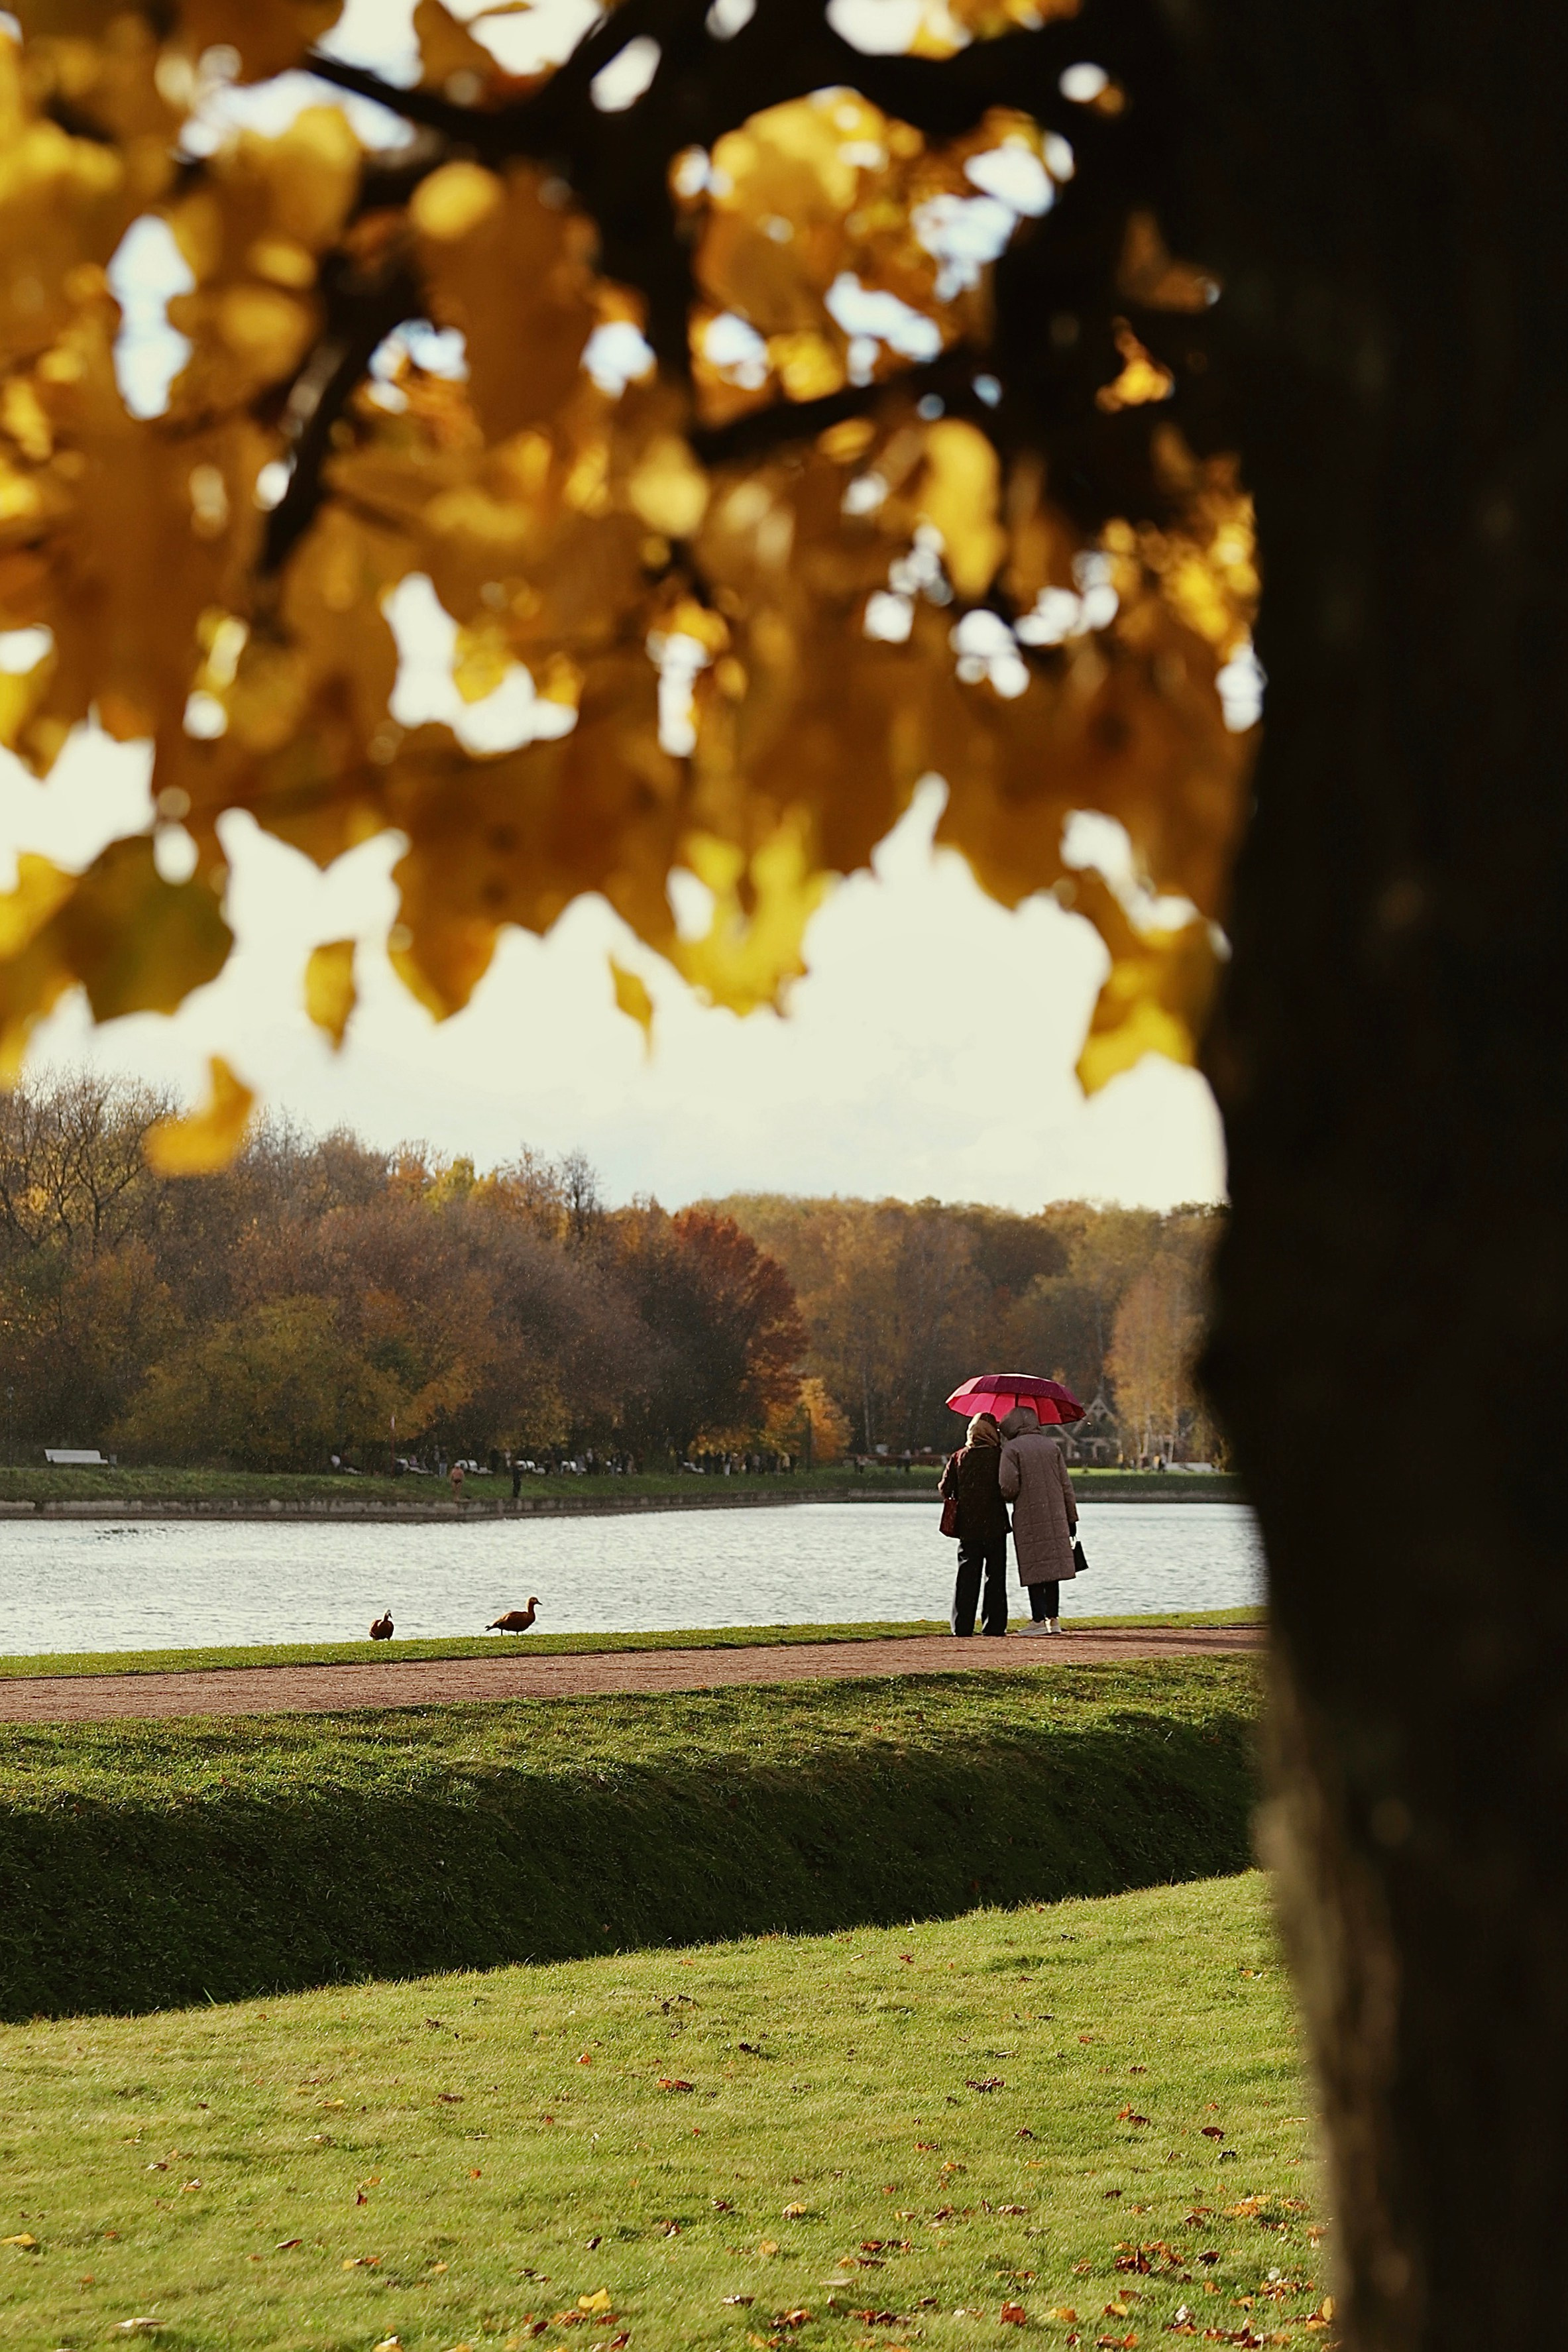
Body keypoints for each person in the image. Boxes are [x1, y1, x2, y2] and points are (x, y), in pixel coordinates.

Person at [998, 1404, 1078, 1634]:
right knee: (1053, 1569)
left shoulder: (1012, 1449)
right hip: (1056, 1514)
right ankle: (1054, 1619)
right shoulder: (1051, 1446)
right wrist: (1071, 1517)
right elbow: (1066, 1485)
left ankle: (1037, 1619)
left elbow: (1008, 1487)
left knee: (1035, 1565)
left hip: (1028, 1515)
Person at [938, 1412, 1011, 1637]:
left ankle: (962, 1626)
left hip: (967, 1527)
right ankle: (994, 1626)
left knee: (966, 1577)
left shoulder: (959, 1457)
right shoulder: (1000, 1456)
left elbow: (944, 1488)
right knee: (995, 1577)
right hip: (995, 1526)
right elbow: (1007, 1487)